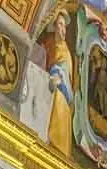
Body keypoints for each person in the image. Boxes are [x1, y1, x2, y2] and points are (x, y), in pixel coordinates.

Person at [42, 11, 74, 157]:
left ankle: (57, 149)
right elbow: (41, 60)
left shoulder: (66, 51)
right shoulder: (47, 44)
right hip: (46, 84)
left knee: (60, 102)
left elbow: (67, 73)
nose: (63, 29)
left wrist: (58, 75)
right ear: (54, 27)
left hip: (63, 91)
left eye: (64, 26)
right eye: (60, 25)